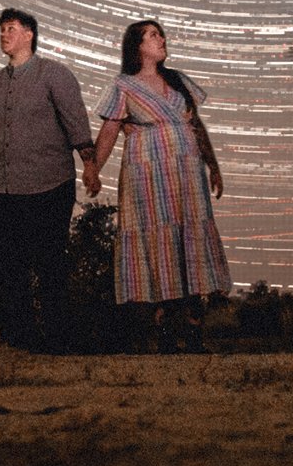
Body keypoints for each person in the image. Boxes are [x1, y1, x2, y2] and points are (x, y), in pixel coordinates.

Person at [86, 18, 231, 351]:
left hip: (187, 169)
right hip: (146, 173)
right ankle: (163, 332)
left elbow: (196, 125)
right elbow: (109, 131)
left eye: (161, 34)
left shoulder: (178, 81)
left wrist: (213, 165)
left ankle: (194, 331)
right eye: (153, 35)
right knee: (157, 242)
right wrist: (94, 168)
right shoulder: (124, 86)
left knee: (190, 239)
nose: (161, 39)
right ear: (138, 46)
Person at [0, 7, 95, 351]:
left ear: (29, 34)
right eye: (1, 30)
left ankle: (58, 340)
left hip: (49, 186)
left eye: (11, 28)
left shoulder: (54, 75)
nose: (4, 35)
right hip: (1, 189)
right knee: (10, 267)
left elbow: (77, 125)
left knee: (50, 262)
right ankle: (20, 339)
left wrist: (90, 167)